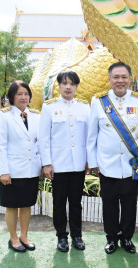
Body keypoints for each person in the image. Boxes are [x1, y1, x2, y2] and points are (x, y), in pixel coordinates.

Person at [87, 62, 138, 254]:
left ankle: (127, 238)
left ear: (130, 79)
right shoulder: (98, 102)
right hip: (107, 165)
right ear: (109, 80)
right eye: (116, 77)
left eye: (124, 77)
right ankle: (111, 239)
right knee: (109, 205)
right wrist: (93, 163)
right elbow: (92, 137)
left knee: (130, 204)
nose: (120, 81)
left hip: (131, 166)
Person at [39, 71, 90, 252]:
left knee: (76, 203)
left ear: (76, 86)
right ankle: (61, 236)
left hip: (78, 165)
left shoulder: (85, 107)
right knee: (59, 203)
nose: (68, 87)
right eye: (64, 83)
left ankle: (77, 235)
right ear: (58, 86)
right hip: (58, 166)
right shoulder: (49, 107)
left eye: (72, 84)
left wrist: (88, 161)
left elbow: (89, 138)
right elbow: (44, 138)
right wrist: (47, 163)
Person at [0, 81, 41, 253]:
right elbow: (0, 145)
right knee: (12, 205)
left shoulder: (36, 115)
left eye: (26, 94)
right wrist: (4, 171)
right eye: (19, 94)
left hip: (31, 169)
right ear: (12, 97)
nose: (23, 97)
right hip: (13, 170)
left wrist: (43, 164)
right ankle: (13, 238)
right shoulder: (4, 116)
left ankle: (24, 236)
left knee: (27, 204)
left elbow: (40, 143)